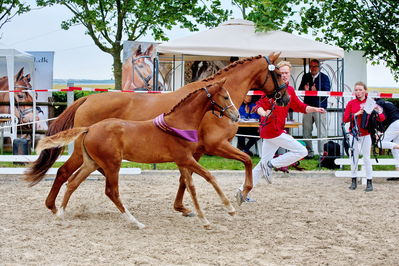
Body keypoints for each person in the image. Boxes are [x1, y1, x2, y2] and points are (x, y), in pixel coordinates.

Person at [236, 61, 326, 203]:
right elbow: (258, 106)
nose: (284, 75)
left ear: (289, 74)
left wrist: (315, 109)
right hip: (272, 130)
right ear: (278, 74)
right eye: (281, 73)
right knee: (302, 151)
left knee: (261, 165)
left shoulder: (289, 91)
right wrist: (263, 112)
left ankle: (242, 191)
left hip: (273, 131)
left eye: (286, 73)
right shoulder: (273, 89)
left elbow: (300, 107)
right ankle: (272, 164)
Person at [343, 82, 385, 191]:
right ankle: (353, 180)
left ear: (365, 91)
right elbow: (345, 118)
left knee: (367, 158)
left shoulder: (371, 103)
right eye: (356, 90)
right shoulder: (351, 103)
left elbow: (382, 117)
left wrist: (376, 111)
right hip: (354, 133)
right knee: (354, 158)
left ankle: (369, 182)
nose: (358, 92)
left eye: (360, 90)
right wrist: (357, 114)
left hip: (366, 134)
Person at [299, 59, 331, 158]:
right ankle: (309, 153)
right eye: (311, 66)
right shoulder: (306, 76)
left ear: (319, 67)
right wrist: (304, 89)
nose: (313, 68)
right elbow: (300, 89)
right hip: (308, 107)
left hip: (320, 107)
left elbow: (327, 93)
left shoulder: (324, 78)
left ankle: (322, 154)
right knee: (306, 131)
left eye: (315, 66)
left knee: (321, 131)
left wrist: (316, 91)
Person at [375, 98, 399, 179]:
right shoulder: (387, 102)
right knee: (395, 148)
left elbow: (382, 118)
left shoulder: (378, 104)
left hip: (395, 123)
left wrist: (378, 130)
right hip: (396, 122)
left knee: (380, 143)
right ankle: (397, 173)